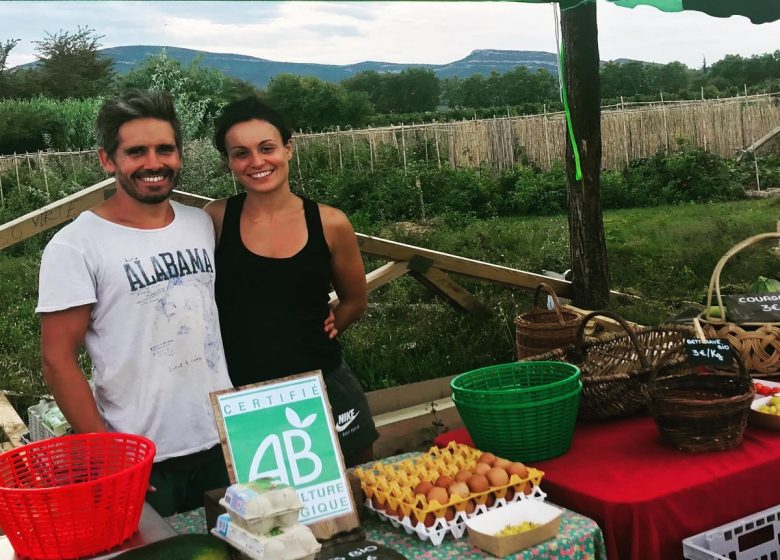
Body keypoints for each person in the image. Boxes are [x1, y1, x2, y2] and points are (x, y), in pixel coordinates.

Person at [36, 89, 233, 516]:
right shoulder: (75, 246)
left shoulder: (200, 224)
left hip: (222, 440)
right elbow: (57, 359)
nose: (153, 163)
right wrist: (109, 457)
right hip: (140, 456)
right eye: (136, 151)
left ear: (180, 155)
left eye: (165, 149)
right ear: (108, 159)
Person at [206, 96, 379, 467]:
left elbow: (355, 299)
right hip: (246, 392)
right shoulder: (217, 219)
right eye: (241, 153)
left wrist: (331, 326)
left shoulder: (331, 223)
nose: (256, 162)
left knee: (354, 482)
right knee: (267, 501)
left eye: (267, 148)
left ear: (288, 149)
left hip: (324, 381)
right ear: (229, 162)